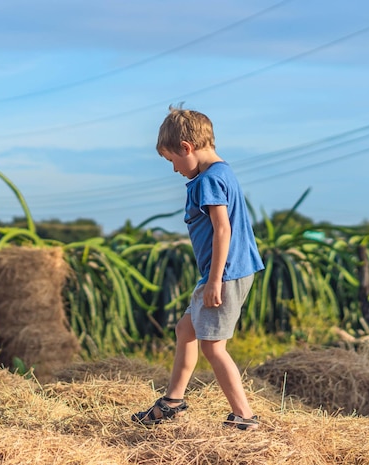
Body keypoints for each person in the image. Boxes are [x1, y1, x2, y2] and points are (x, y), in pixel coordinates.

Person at [131, 106, 265, 430]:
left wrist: (215, 281)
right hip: (222, 272)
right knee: (186, 330)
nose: (175, 169)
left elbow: (223, 229)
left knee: (213, 347)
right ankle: (173, 401)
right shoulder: (222, 172)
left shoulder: (209, 180)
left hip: (225, 273)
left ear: (187, 148)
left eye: (173, 160)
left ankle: (244, 417)